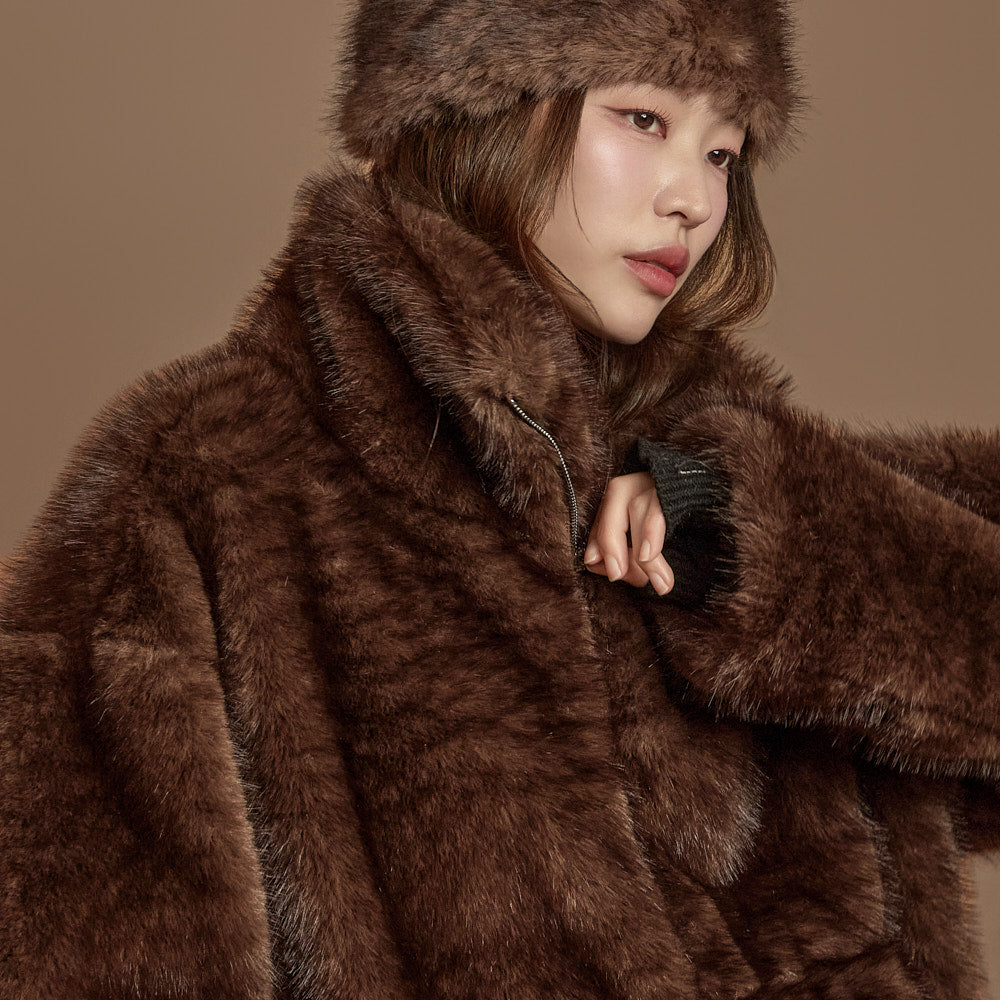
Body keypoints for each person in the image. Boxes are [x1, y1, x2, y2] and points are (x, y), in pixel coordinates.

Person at [1, 0, 997, 996]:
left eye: (722, 154)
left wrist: (760, 537)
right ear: (477, 107)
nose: (694, 199)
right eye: (643, 119)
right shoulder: (211, 478)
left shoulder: (730, 484)